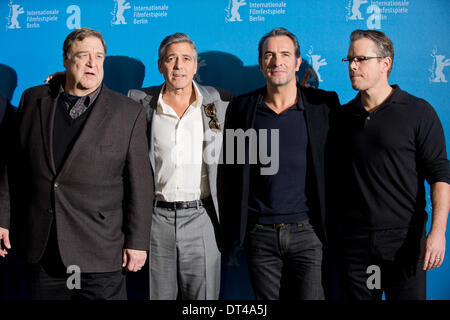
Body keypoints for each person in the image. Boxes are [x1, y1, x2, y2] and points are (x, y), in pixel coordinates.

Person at [0, 27, 153, 300]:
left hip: (102, 252)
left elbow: (140, 184)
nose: (93, 63)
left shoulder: (127, 112)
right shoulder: (33, 99)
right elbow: (12, 167)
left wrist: (137, 241)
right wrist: (2, 219)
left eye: (99, 56)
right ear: (65, 59)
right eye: (83, 55)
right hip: (44, 250)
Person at [225, 27, 340, 299]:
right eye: (270, 55)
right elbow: (232, 170)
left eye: (285, 54)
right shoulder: (242, 108)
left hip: (308, 233)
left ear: (298, 62)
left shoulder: (323, 106)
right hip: (260, 235)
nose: (277, 62)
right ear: (261, 62)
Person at [336, 29, 450, 300]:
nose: (352, 66)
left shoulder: (418, 112)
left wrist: (438, 232)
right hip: (356, 246)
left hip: (404, 244)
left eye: (361, 59)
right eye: (349, 59)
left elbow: (440, 175)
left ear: (385, 63)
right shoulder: (342, 117)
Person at [127, 33, 231, 300]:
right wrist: (66, 81)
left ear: (196, 66)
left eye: (186, 59)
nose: (178, 66)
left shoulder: (221, 102)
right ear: (160, 65)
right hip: (155, 220)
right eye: (171, 59)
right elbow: (103, 105)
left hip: (203, 218)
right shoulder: (138, 102)